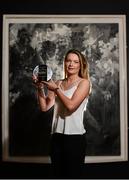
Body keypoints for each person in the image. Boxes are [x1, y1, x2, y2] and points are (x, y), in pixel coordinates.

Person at [32, 49, 91, 178]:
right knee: (57, 176)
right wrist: (40, 88)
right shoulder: (58, 82)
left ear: (80, 65)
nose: (71, 64)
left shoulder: (84, 83)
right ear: (64, 63)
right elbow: (44, 107)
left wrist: (56, 90)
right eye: (68, 60)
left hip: (75, 138)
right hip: (57, 137)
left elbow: (71, 106)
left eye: (75, 62)